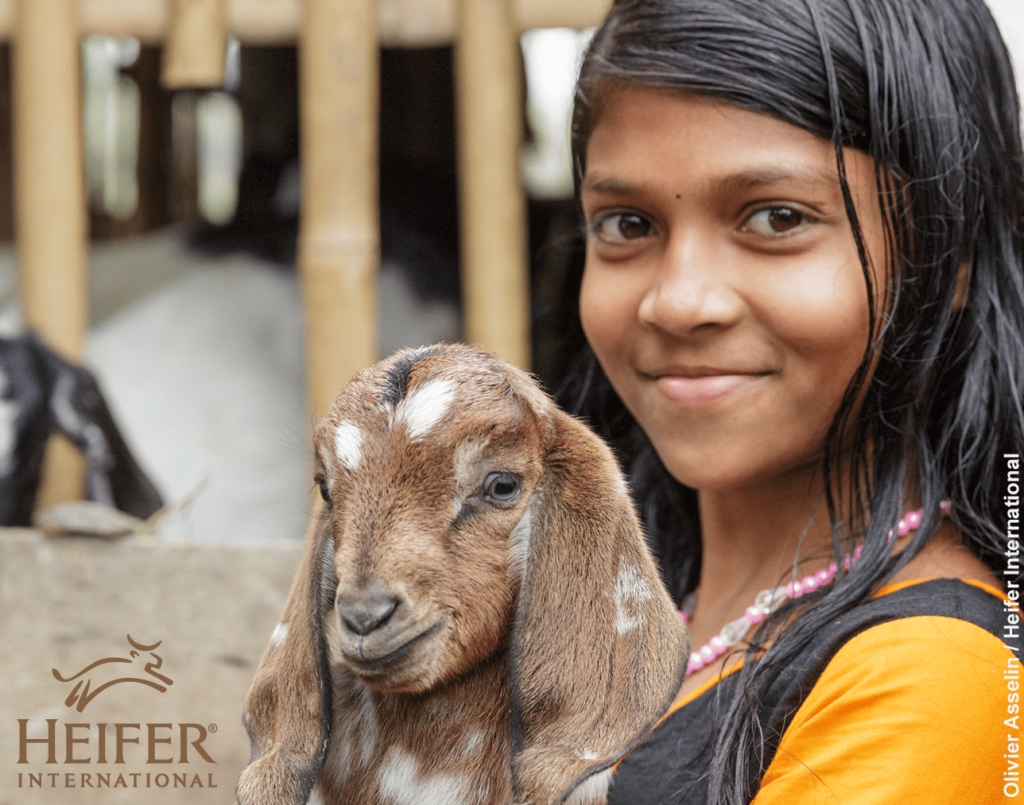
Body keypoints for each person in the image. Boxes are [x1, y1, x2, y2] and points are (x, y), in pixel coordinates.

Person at [558, 0, 1024, 802]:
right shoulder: (634, 621)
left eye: (776, 218)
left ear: (950, 257)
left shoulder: (928, 678)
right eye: (627, 223)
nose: (677, 302)